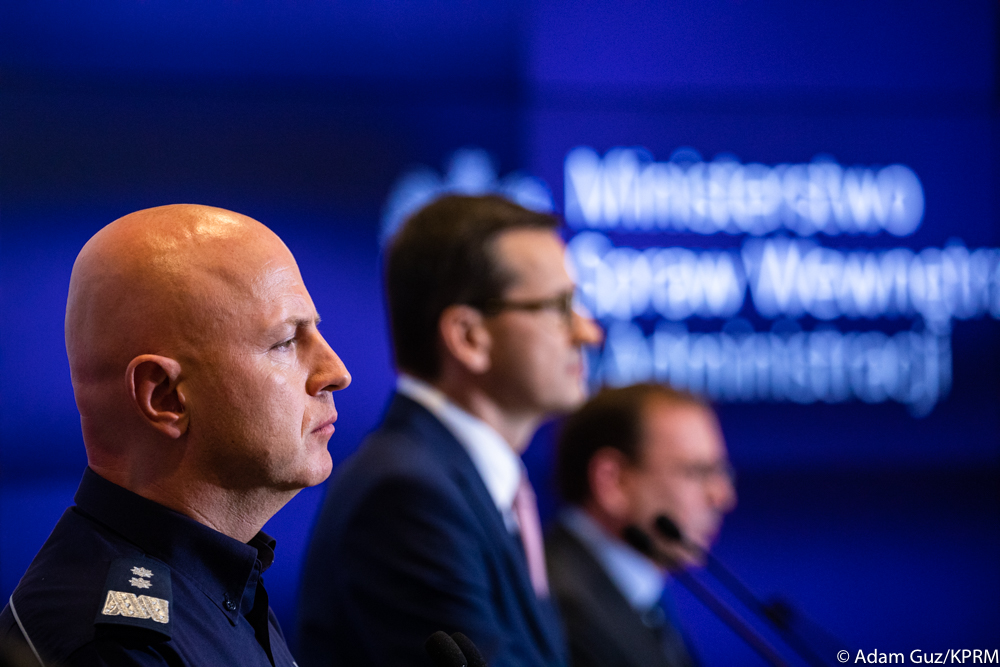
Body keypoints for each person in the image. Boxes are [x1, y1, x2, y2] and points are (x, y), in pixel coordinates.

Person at [0, 204, 351, 666]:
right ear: (165, 396)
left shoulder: (218, 583)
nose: (336, 372)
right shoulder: (116, 648)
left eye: (316, 332)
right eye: (285, 341)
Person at [298, 195, 603, 667]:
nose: (588, 332)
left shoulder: (460, 481)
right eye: (559, 306)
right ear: (468, 337)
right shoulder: (407, 496)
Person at [545, 383, 737, 667]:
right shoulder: (557, 603)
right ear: (613, 482)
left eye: (721, 472)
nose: (723, 497)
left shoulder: (641, 597)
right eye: (697, 472)